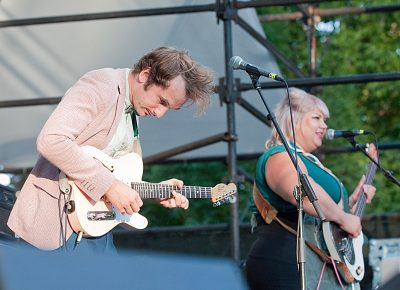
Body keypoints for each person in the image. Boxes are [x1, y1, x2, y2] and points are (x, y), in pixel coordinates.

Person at [7, 47, 215, 253]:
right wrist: (110, 186)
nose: (160, 114)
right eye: (162, 101)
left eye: (169, 108)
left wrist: (152, 190)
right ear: (145, 75)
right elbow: (52, 139)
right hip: (55, 226)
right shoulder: (101, 85)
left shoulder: (133, 108)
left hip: (96, 231)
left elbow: (112, 172)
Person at [245, 88, 376, 290]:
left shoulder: (308, 160)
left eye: (325, 120)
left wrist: (350, 204)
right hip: (287, 263)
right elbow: (304, 195)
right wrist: (344, 218)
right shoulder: (279, 156)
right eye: (317, 118)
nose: (324, 126)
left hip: (314, 264)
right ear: (293, 119)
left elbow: (322, 218)